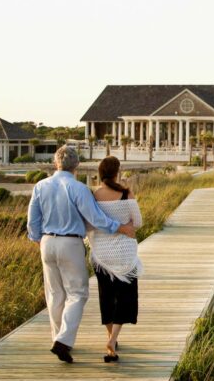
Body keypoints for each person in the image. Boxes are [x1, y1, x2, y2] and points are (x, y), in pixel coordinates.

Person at [27, 146, 136, 364]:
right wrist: (120, 227)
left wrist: (40, 240)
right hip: (70, 242)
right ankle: (63, 341)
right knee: (77, 293)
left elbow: (32, 221)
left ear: (56, 163)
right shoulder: (78, 188)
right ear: (76, 165)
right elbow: (95, 218)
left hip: (46, 242)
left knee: (55, 294)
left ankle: (59, 339)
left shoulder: (40, 186)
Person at [88, 156, 143, 363]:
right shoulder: (126, 193)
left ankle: (109, 336)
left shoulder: (93, 195)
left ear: (100, 173)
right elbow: (137, 222)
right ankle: (113, 339)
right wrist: (125, 223)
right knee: (126, 296)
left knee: (106, 296)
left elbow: (91, 222)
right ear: (117, 172)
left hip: (101, 254)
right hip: (124, 253)